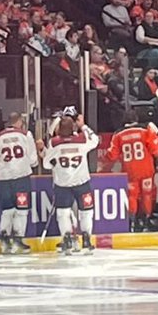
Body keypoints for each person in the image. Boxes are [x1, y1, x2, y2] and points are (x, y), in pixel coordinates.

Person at [43, 108, 100, 255]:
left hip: (63, 185)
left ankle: (67, 239)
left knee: (63, 213)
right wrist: (84, 126)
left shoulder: (54, 143)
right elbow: (95, 140)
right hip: (82, 182)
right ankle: (86, 239)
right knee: (86, 212)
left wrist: (54, 162)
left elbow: (46, 164)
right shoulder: (82, 140)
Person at [0, 112, 37, 254]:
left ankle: (4, 241)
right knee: (22, 210)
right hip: (21, 178)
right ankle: (18, 240)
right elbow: (33, 160)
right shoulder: (25, 135)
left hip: (5, 179)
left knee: (7, 210)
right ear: (20, 121)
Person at [108, 116, 158, 232]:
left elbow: (112, 155)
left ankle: (132, 222)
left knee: (131, 196)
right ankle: (146, 222)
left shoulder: (118, 134)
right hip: (146, 169)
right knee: (147, 195)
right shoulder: (145, 130)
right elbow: (155, 150)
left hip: (130, 171)